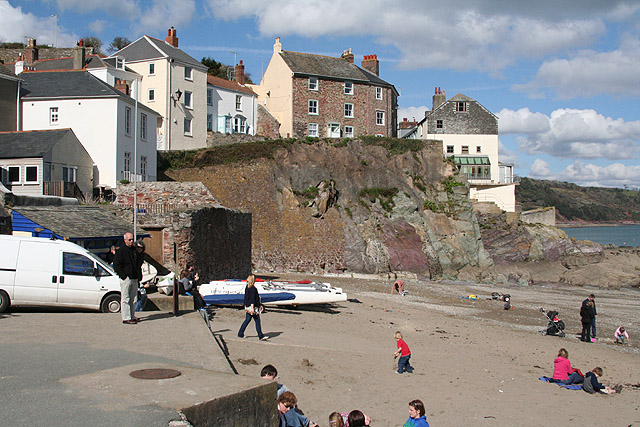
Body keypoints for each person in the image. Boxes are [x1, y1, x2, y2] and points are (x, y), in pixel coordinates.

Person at [113, 232, 140, 324]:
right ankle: (126, 317)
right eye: (129, 239)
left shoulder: (134, 250)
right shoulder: (120, 251)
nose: (131, 241)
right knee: (125, 298)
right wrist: (124, 276)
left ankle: (132, 316)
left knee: (134, 299)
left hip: (135, 277)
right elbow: (116, 266)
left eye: (132, 239)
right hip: (126, 278)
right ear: (125, 240)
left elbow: (138, 263)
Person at [237, 274, 265, 340]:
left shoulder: (248, 287)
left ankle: (240, 333)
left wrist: (259, 305)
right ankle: (260, 336)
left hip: (248, 306)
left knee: (247, 320)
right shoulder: (253, 289)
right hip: (253, 307)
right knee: (257, 321)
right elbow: (252, 299)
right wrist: (253, 308)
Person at [134, 240, 150, 312]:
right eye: (138, 247)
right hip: (132, 278)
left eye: (141, 247)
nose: (139, 249)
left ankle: (139, 311)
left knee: (140, 297)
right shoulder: (133, 255)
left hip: (138, 278)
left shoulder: (142, 256)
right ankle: (137, 312)